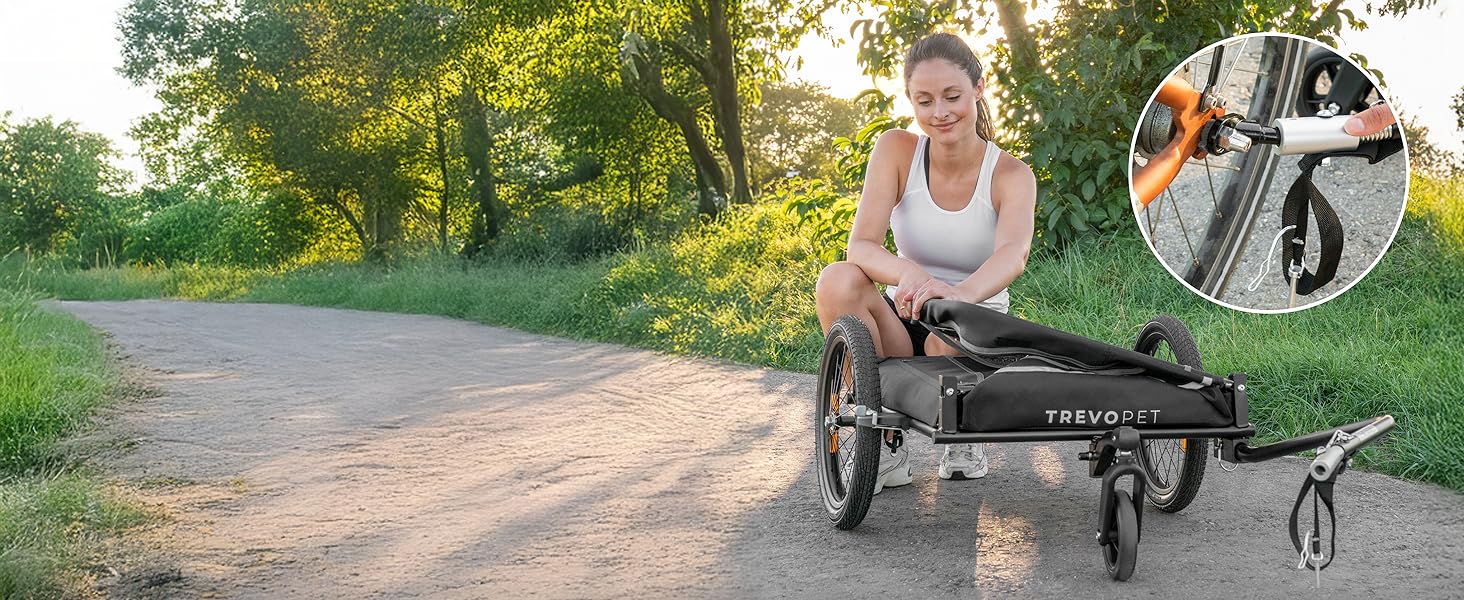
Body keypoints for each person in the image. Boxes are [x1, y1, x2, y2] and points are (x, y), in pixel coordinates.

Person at [814, 33, 1036, 493]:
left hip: (968, 324)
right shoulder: (897, 151)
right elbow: (862, 248)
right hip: (904, 315)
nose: (940, 112)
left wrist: (955, 297)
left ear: (979, 86)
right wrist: (910, 274)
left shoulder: (1012, 175)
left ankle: (963, 435)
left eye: (952, 96)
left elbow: (1012, 254)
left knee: (944, 347)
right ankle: (886, 440)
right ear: (911, 102)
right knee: (837, 280)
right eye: (925, 100)